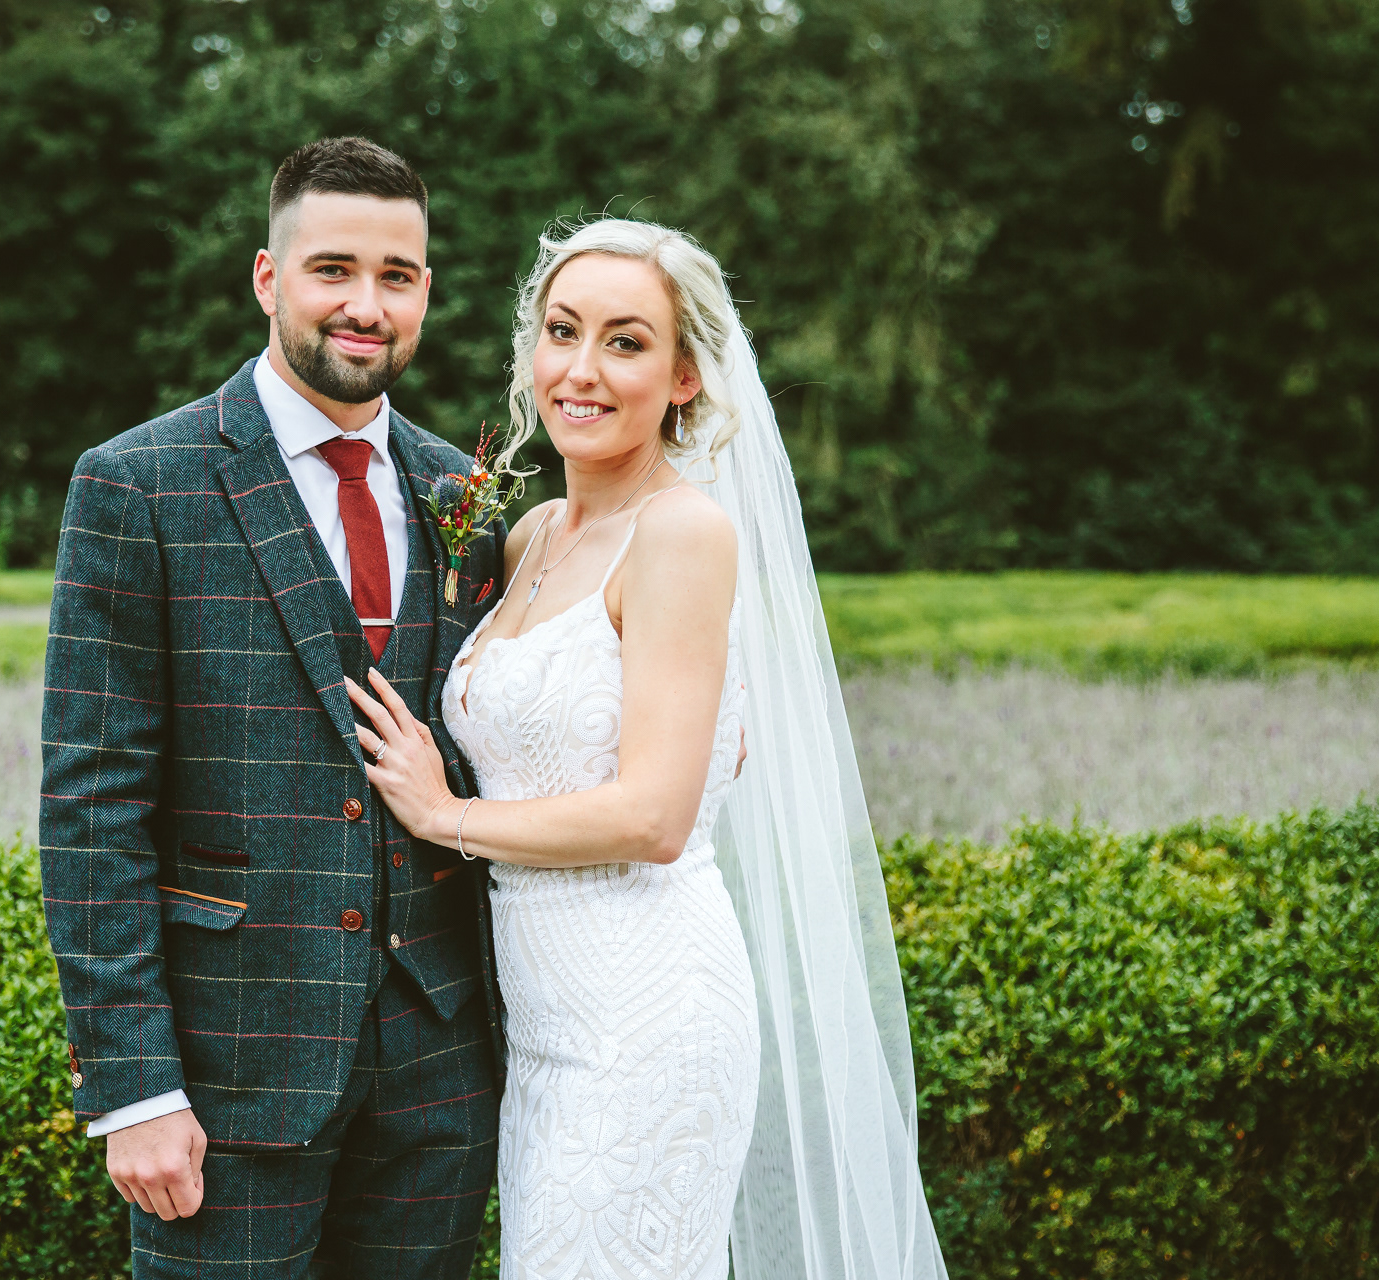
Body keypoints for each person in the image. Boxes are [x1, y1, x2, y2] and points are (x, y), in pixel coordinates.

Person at [350, 219, 949, 1280]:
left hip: (647, 1016)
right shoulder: (532, 536)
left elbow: (656, 816)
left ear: (684, 376)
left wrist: (446, 815)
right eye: (562, 331)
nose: (581, 369)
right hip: (541, 1028)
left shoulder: (683, 531)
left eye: (624, 342)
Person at [38, 137, 505, 1280]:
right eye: (332, 268)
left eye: (397, 275)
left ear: (427, 291)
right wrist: (134, 1087)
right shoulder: (138, 483)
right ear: (267, 277)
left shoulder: (467, 494)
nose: (366, 304)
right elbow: (92, 802)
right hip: (225, 1072)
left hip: (439, 1078)